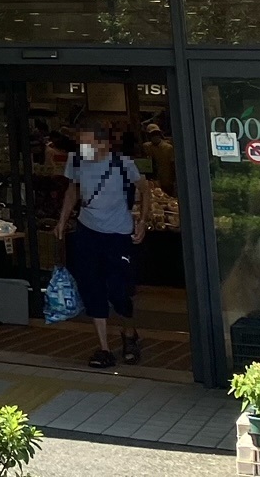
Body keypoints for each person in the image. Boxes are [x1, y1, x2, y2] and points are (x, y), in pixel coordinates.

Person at [53, 121, 145, 368]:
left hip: (118, 234)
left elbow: (144, 190)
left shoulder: (123, 164)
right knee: (92, 286)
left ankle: (129, 333)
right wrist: (62, 220)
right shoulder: (76, 161)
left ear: (103, 143)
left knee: (119, 290)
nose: (83, 147)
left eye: (87, 143)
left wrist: (142, 221)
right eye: (81, 142)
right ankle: (104, 348)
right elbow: (72, 190)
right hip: (87, 231)